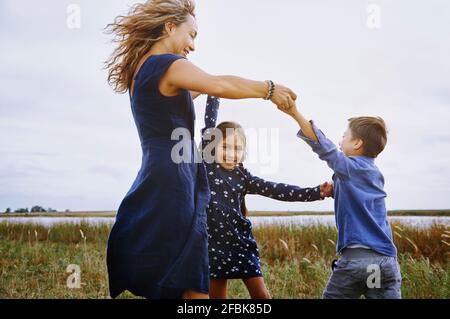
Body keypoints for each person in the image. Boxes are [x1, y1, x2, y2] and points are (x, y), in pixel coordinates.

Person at [105, 0, 297, 299]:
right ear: (169, 26)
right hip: (174, 179)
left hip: (158, 174)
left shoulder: (143, 71)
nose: (192, 46)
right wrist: (268, 89)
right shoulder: (166, 64)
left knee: (180, 273)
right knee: (191, 280)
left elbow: (206, 87)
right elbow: (217, 83)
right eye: (191, 34)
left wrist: (217, 87)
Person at [201, 96, 332, 299]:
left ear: (244, 152)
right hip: (212, 247)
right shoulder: (208, 167)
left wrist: (316, 192)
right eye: (225, 146)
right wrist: (213, 91)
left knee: (262, 296)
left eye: (237, 149)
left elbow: (278, 190)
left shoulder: (243, 178)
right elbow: (209, 123)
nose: (230, 153)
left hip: (241, 244)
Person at [279, 104, 401, 299]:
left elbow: (324, 147)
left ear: (357, 144)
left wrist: (294, 112)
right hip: (384, 263)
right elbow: (360, 199)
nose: (339, 140)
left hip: (357, 263)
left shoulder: (349, 168)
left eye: (344, 136)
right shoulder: (374, 173)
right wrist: (336, 190)